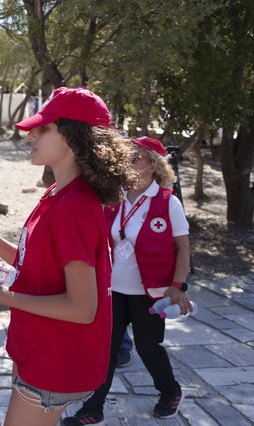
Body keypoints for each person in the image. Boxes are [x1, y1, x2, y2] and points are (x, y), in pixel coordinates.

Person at [0, 87, 135, 426]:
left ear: (73, 138)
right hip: (40, 351)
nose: (31, 135)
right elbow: (34, 264)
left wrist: (2, 296)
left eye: (43, 128)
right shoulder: (58, 194)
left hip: (54, 360)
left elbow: (82, 308)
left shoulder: (74, 207)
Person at [63, 136, 191, 425]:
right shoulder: (115, 197)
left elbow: (183, 247)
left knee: (148, 347)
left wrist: (178, 285)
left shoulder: (168, 203)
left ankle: (170, 391)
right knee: (105, 349)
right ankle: (93, 409)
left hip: (150, 291)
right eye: (128, 157)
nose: (129, 162)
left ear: (153, 166)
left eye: (136, 157)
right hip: (114, 290)